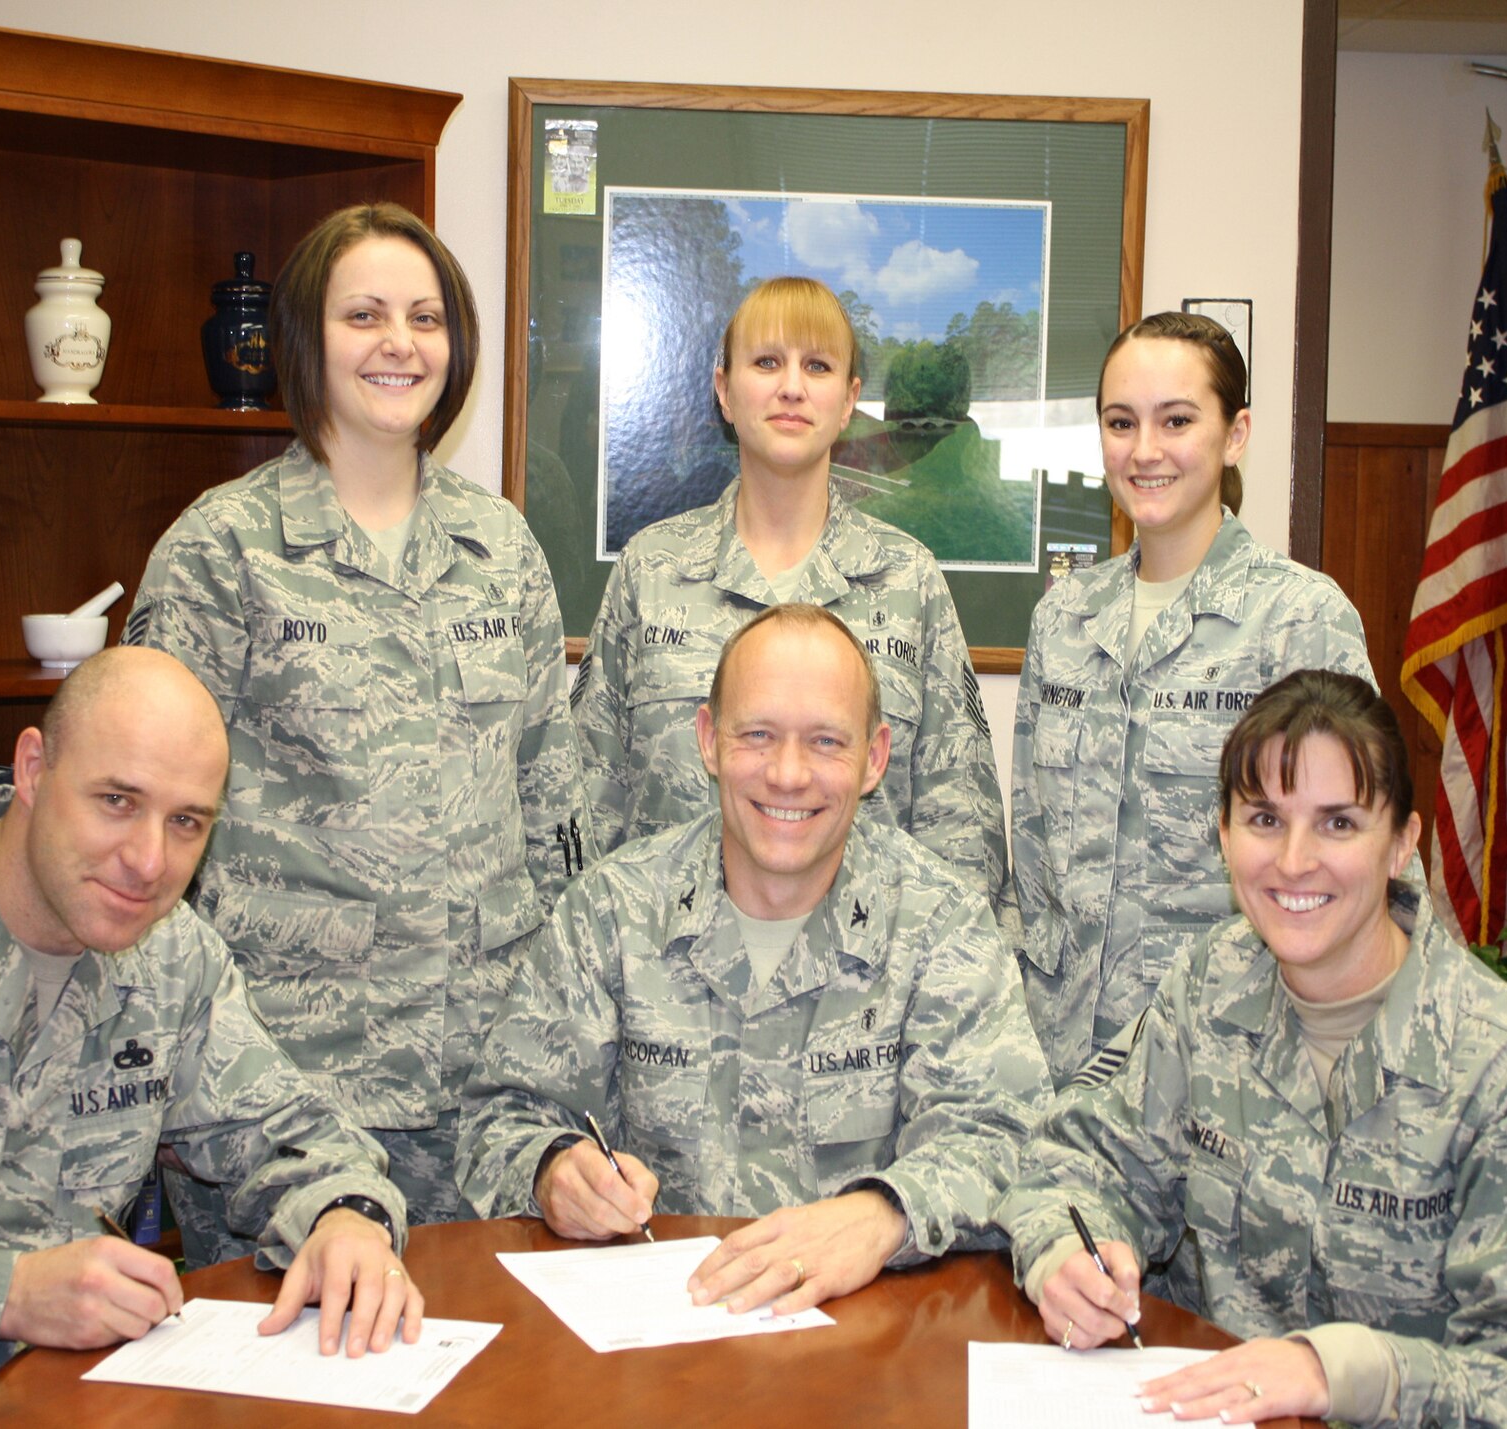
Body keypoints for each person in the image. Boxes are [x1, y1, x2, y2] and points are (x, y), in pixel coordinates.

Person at [0, 648, 421, 1429]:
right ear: (31, 769)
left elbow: (296, 1138)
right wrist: (5, 1298)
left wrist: (346, 1217)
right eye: (117, 800)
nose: (149, 862)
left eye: (186, 822)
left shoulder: (172, 959)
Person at [124, 202, 590, 1236]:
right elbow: (145, 837)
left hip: (487, 1099)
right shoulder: (222, 551)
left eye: (425, 318)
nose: (399, 344)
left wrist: (560, 1052)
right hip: (282, 1101)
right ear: (306, 336)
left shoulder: (501, 549)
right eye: (364, 315)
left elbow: (551, 810)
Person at [999, 670, 1507, 1429]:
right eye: (1265, 818)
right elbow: (1075, 1162)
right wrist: (1064, 1254)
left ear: (1402, 845)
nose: (1294, 861)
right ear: (1223, 834)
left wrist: (1339, 1372)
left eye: (1338, 824)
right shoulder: (1207, 988)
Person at [458, 604, 1046, 1314]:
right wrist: (552, 1171)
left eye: (826, 741)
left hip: (869, 1344)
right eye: (757, 735)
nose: (787, 774)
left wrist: (884, 1214)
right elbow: (501, 1119)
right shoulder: (612, 911)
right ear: (708, 740)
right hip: (662, 1338)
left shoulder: (940, 925)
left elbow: (1007, 1134)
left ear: (874, 758)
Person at [1010, 310, 1376, 1080]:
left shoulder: (1299, 620)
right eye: (1121, 422)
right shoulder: (1064, 619)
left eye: (1176, 420)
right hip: (1060, 1061)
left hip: (1226, 1064)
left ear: (1235, 434)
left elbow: (1361, 860)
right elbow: (1034, 855)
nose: (1145, 450)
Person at [571, 276, 1005, 911]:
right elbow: (588, 808)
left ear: (849, 399)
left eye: (818, 366)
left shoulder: (909, 581)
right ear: (725, 390)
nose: (792, 387)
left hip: (868, 965)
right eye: (767, 362)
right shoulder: (651, 571)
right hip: (667, 961)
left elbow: (961, 835)